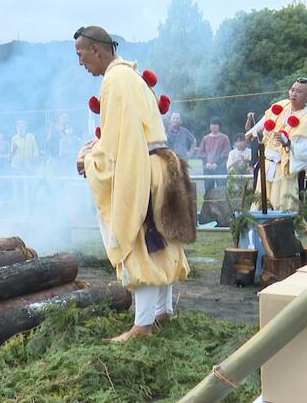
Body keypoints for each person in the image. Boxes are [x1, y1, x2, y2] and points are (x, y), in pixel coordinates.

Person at [74, 25, 191, 342]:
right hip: (160, 165)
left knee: (141, 242)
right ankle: (162, 311)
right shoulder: (130, 76)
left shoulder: (116, 79)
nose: (80, 62)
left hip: (144, 168)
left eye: (81, 54)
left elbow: (120, 141)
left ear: (96, 50)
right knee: (161, 241)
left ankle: (142, 325)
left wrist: (89, 161)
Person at [245, 77, 307, 212]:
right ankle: (258, 230)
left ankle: (282, 230)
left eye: (299, 91)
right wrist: (254, 130)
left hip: (284, 168)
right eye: (292, 90)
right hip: (267, 164)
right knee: (260, 201)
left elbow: (305, 151)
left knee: (282, 203)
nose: (294, 94)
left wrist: (287, 142)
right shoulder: (282, 105)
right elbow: (267, 118)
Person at [197, 118, 230, 193]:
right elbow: (201, 153)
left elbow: (226, 153)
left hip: (220, 168)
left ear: (219, 126)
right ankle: (207, 204)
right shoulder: (205, 138)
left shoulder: (224, 138)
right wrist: (207, 163)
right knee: (208, 189)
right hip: (207, 168)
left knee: (222, 189)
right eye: (212, 124)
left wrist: (216, 163)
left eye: (215, 124)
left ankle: (222, 204)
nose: (213, 126)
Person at [10, 120, 38, 207]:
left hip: (28, 167)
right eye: (19, 127)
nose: (21, 128)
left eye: (22, 127)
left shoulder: (31, 137)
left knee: (28, 187)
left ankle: (28, 205)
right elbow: (12, 153)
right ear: (16, 128)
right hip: (16, 167)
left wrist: (33, 165)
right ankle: (17, 205)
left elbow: (36, 152)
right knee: (16, 186)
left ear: (26, 127)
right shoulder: (14, 138)